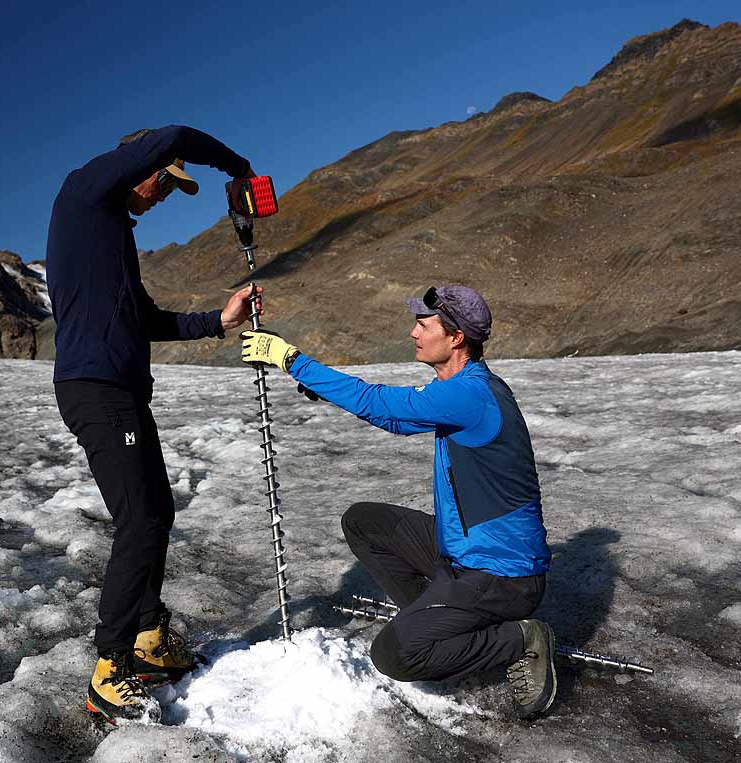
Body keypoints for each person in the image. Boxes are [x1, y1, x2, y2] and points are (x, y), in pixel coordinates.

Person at [239, 285, 558, 720]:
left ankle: (520, 639)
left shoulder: (471, 394)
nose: (413, 333)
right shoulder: (462, 388)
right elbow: (392, 417)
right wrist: (329, 391)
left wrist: (291, 359)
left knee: (394, 654)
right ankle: (438, 620)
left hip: (501, 575)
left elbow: (380, 402)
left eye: (423, 325)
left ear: (456, 338)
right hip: (460, 554)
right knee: (364, 522)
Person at [47, 125, 261, 722]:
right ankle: (109, 668)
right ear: (137, 164)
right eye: (166, 179)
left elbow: (145, 320)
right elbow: (171, 134)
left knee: (155, 513)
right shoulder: (84, 197)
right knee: (140, 520)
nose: (166, 193)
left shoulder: (111, 239)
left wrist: (220, 319)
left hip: (120, 392)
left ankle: (146, 638)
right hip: (97, 391)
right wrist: (235, 165)